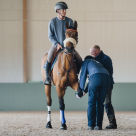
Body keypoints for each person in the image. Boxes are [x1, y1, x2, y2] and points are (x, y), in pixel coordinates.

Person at [44, 1, 82, 85]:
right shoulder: (52, 22)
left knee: (79, 59)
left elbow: (72, 34)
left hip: (68, 46)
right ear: (58, 11)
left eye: (65, 9)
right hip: (56, 46)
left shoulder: (70, 21)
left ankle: (76, 76)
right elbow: (50, 36)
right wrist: (57, 44)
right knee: (49, 58)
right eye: (63, 9)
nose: (65, 11)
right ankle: (47, 78)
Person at [77, 56, 110, 130]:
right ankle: (99, 125)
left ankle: (91, 125)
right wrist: (85, 91)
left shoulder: (86, 62)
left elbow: (83, 76)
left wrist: (80, 90)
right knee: (100, 103)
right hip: (106, 78)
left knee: (91, 103)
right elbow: (93, 78)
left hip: (95, 78)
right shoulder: (98, 63)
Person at [90, 45, 117, 129]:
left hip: (107, 84)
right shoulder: (94, 60)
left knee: (107, 103)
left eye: (91, 53)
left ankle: (112, 123)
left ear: (96, 52)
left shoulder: (106, 59)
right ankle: (96, 123)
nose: (91, 54)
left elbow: (109, 73)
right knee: (97, 103)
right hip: (97, 84)